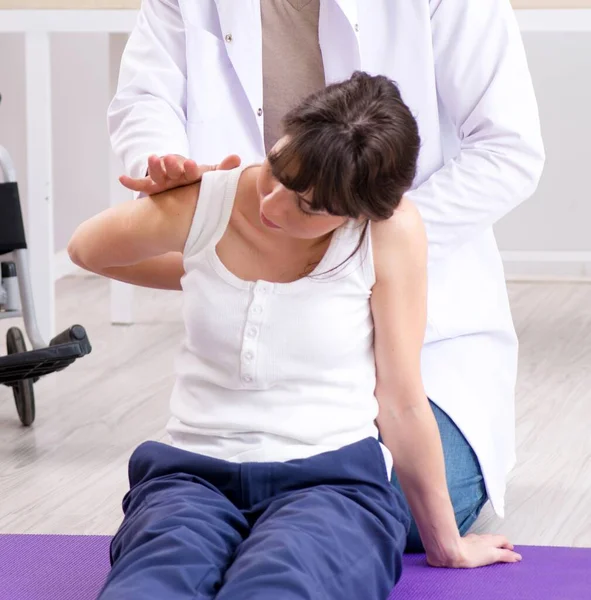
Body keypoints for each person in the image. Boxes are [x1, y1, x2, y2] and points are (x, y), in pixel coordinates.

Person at [107, 0, 545, 551]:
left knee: (397, 508)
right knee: (229, 501)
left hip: (428, 337)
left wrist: (356, 253)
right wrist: (166, 169)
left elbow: (509, 150)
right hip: (270, 345)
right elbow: (147, 98)